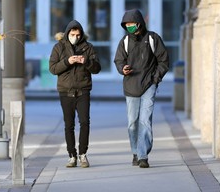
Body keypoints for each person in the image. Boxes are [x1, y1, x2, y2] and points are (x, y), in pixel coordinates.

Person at [114, 9, 169, 168]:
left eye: (131, 23)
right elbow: (118, 60)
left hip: (148, 85)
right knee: (133, 123)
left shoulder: (152, 38)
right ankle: (135, 152)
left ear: (139, 22)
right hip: (130, 86)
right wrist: (122, 68)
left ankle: (143, 155)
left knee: (145, 121)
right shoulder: (124, 41)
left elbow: (163, 61)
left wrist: (155, 79)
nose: (129, 26)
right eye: (126, 24)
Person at [49, 20, 101, 168]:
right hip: (65, 91)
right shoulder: (59, 47)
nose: (75, 37)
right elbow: (53, 69)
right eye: (73, 35)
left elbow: (97, 68)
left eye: (78, 35)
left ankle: (83, 154)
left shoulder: (88, 47)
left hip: (83, 90)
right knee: (69, 124)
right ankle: (72, 155)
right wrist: (68, 61)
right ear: (67, 34)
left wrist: (86, 61)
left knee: (85, 122)